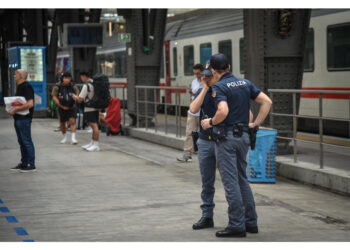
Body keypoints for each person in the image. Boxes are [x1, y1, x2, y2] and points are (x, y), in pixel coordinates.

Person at [201, 53, 272, 238]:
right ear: (230, 67)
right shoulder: (245, 83)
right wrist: (255, 124)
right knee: (242, 179)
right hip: (244, 137)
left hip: (227, 138)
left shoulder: (220, 86)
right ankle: (251, 222)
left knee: (231, 182)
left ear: (214, 71)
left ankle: (236, 225)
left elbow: (222, 111)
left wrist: (211, 122)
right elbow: (267, 102)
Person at [189, 61, 217, 229]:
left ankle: (238, 217)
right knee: (207, 183)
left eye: (208, 76)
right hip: (206, 140)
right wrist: (205, 89)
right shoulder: (202, 91)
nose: (205, 78)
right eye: (204, 76)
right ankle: (207, 216)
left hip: (223, 141)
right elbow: (193, 109)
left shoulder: (225, 90)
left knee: (231, 182)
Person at [8, 69, 36, 172]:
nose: (14, 76)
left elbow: (30, 104)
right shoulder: (19, 86)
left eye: (15, 74)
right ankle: (24, 163)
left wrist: (16, 109)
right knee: (21, 141)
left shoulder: (26, 87)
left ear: (21, 76)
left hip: (24, 119)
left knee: (26, 141)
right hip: (18, 118)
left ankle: (31, 164)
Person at [177, 64, 203, 162]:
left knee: (204, 134)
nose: (197, 75)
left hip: (202, 112)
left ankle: (204, 155)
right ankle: (187, 154)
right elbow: (192, 95)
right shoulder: (194, 82)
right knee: (189, 133)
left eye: (198, 73)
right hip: (193, 112)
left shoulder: (207, 82)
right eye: (195, 73)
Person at [72, 72, 100, 152]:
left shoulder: (86, 85)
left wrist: (74, 97)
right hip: (95, 107)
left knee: (94, 126)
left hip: (89, 107)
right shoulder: (95, 83)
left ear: (84, 76)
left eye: (81, 77)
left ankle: (96, 145)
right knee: (94, 125)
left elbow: (80, 98)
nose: (81, 78)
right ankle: (92, 143)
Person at [51, 72, 79, 144]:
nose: (67, 80)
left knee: (72, 122)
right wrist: (61, 106)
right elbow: (54, 97)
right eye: (65, 78)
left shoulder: (73, 86)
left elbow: (77, 94)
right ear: (62, 78)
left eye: (69, 78)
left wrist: (75, 100)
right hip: (61, 107)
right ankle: (64, 137)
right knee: (62, 123)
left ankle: (73, 138)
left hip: (71, 107)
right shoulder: (57, 86)